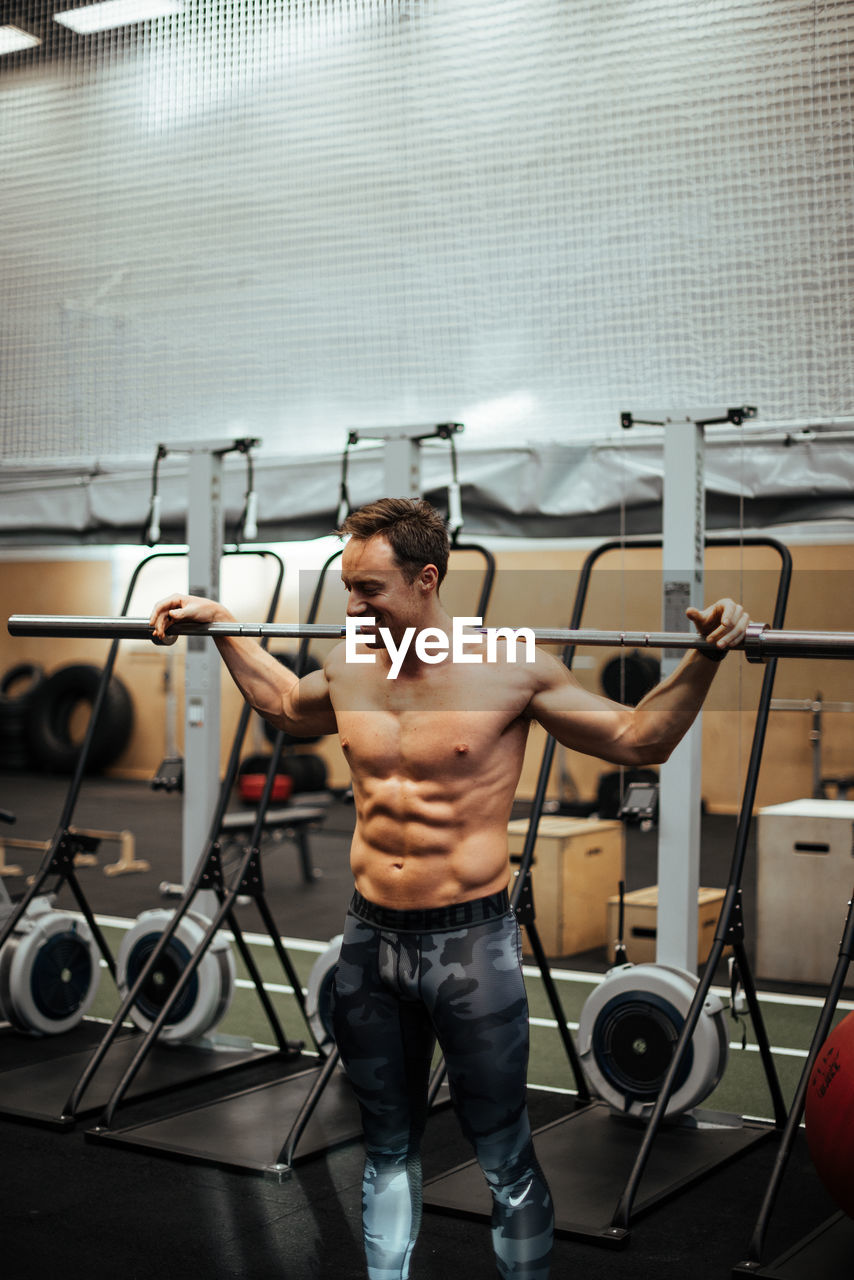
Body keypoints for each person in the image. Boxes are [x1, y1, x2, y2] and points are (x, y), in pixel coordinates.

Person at [150, 498, 749, 1280]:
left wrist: (706, 656)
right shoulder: (351, 661)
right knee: (385, 1145)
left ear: (427, 578)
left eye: (370, 589)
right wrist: (223, 623)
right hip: (368, 943)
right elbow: (284, 706)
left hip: (470, 945)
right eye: (347, 587)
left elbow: (643, 738)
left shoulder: (508, 667)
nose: (353, 606)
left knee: (501, 1149)